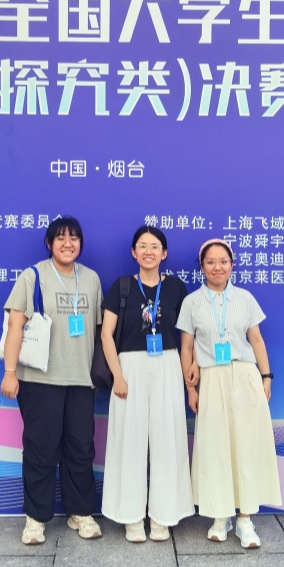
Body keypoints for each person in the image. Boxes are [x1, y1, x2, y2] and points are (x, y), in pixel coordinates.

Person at [1, 217, 104, 545]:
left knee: (80, 448)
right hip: (39, 380)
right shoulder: (33, 276)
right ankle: (35, 518)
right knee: (41, 448)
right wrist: (10, 372)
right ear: (49, 244)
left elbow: (99, 330)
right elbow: (15, 325)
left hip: (80, 379)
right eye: (60, 238)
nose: (68, 244)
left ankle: (80, 512)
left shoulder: (91, 279)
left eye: (74, 238)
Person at [177, 237, 280, 550]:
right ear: (202, 267)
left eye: (223, 261)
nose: (217, 267)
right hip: (211, 378)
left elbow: (257, 340)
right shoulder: (192, 302)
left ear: (232, 265)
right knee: (215, 447)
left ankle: (245, 519)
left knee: (246, 446)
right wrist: (190, 388)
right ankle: (220, 515)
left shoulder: (245, 298)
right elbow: (186, 347)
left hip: (245, 375)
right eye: (210, 262)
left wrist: (266, 376)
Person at [99, 225, 193, 542]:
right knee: (129, 441)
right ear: (133, 252)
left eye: (154, 246)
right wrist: (117, 375)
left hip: (167, 363)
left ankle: (163, 515)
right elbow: (106, 335)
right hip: (130, 366)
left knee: (168, 439)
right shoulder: (122, 286)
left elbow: (186, 336)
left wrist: (189, 373)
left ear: (164, 253)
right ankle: (132, 516)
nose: (148, 251)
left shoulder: (176, 287)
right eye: (142, 245)